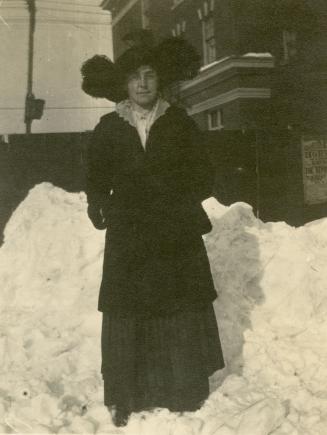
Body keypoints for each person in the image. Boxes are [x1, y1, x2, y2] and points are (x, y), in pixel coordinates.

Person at [81, 32, 225, 427]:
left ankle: (184, 391)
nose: (142, 83)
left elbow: (204, 176)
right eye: (134, 77)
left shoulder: (179, 122)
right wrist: (99, 205)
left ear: (159, 80)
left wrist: (175, 195)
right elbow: (95, 178)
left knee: (176, 308)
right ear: (123, 84)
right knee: (129, 311)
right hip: (128, 236)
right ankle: (124, 396)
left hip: (174, 234)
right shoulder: (109, 127)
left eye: (149, 75)